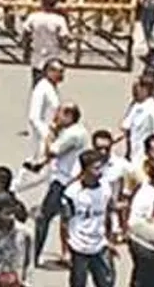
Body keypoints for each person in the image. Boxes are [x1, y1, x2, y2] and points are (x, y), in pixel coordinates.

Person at [33, 103, 89, 265]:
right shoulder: (77, 131)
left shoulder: (72, 135)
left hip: (63, 182)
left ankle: (34, 254)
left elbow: (52, 150)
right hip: (69, 180)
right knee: (67, 220)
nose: (56, 115)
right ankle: (69, 255)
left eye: (61, 113)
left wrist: (51, 131)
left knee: (44, 217)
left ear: (70, 116)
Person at [61, 150, 117, 287]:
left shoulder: (105, 188)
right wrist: (66, 250)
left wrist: (110, 241)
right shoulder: (72, 193)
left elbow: (108, 215)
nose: (100, 171)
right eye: (96, 168)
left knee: (106, 282)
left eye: (101, 167)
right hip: (79, 246)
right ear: (85, 169)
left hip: (99, 245)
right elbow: (64, 223)